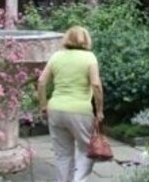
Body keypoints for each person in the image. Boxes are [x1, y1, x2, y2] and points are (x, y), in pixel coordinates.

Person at [37, 25, 104, 182]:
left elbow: (41, 82)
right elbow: (96, 85)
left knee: (62, 154)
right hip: (80, 111)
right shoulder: (89, 58)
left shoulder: (56, 57)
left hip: (56, 110)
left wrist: (43, 105)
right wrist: (99, 110)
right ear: (86, 40)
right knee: (86, 150)